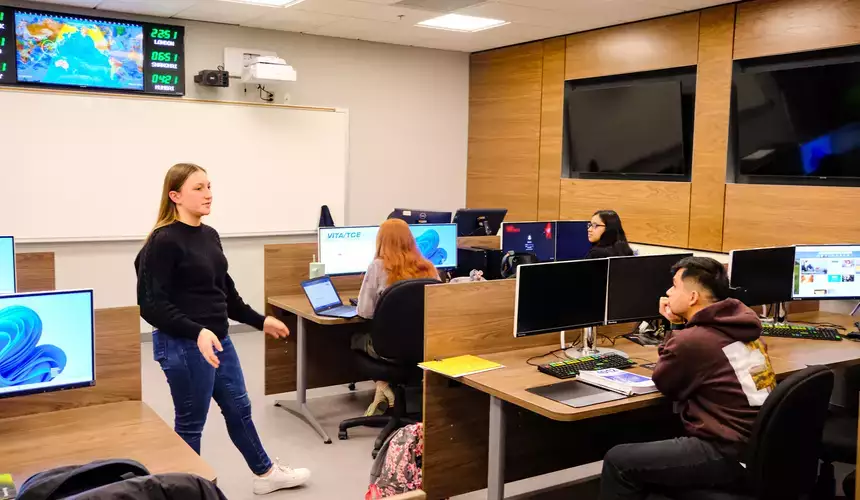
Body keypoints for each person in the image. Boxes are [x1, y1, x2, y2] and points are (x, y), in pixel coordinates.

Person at [135, 163, 310, 495]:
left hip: (217, 341)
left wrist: (260, 320)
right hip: (183, 345)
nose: (209, 194)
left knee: (239, 408)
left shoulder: (209, 235)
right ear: (175, 196)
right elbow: (151, 305)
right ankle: (184, 492)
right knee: (191, 423)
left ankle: (265, 474)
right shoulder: (163, 241)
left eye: (209, 186)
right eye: (199, 188)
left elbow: (224, 294)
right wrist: (196, 331)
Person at [599, 256, 776, 500]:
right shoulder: (743, 325)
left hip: (726, 451)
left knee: (618, 460)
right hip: (759, 447)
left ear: (692, 297)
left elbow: (665, 382)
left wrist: (675, 328)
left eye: (674, 285)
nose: (668, 292)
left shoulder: (693, 340)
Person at [353, 218, 440, 416]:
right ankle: (386, 387)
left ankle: (383, 384)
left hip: (386, 350)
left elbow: (364, 312)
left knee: (355, 339)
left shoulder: (377, 267)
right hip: (424, 347)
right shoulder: (429, 267)